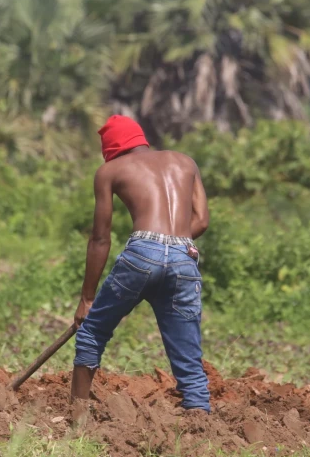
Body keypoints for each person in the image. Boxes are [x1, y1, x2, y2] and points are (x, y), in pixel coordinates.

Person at [70, 114, 211, 416]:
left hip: (141, 253)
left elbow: (99, 239)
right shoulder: (185, 162)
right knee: (188, 355)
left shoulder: (109, 171)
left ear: (110, 149)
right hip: (184, 255)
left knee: (92, 332)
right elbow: (202, 220)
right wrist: (171, 245)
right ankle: (203, 428)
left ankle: (76, 420)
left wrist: (87, 298)